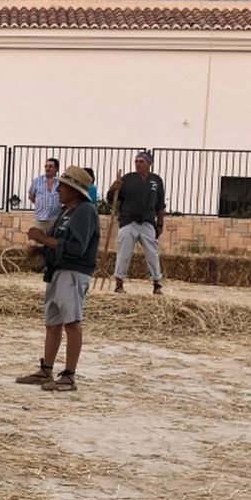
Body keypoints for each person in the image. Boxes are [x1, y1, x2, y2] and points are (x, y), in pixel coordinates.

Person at [17, 166, 98, 392]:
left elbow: (76, 247)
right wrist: (41, 250)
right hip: (58, 272)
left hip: (73, 272)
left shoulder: (85, 211)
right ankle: (46, 370)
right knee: (53, 324)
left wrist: (43, 238)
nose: (58, 189)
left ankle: (69, 376)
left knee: (72, 323)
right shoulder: (66, 211)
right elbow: (58, 243)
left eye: (63, 185)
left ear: (74, 190)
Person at [107, 150, 167, 295]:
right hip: (128, 221)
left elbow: (160, 204)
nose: (138, 164)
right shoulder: (127, 179)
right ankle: (119, 283)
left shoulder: (156, 180)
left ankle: (157, 283)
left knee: (152, 253)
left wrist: (160, 224)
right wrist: (113, 188)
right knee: (124, 253)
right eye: (136, 162)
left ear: (149, 164)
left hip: (147, 221)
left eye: (142, 162)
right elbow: (111, 198)